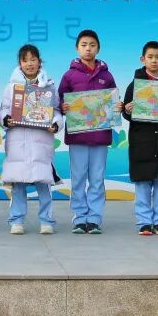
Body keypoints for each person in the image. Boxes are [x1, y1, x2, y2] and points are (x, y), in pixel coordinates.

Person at [58, 29, 119, 235]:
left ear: (98, 48)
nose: (88, 49)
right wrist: (63, 107)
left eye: (92, 45)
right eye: (84, 45)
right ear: (77, 48)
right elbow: (59, 101)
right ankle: (79, 218)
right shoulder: (69, 75)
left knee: (97, 178)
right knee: (78, 178)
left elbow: (113, 101)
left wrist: (117, 107)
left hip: (100, 136)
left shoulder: (107, 75)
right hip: (77, 136)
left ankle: (94, 219)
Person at [0, 44, 60, 235]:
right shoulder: (11, 87)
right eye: (25, 60)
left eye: (33, 59)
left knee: (44, 183)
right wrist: (6, 119)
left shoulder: (49, 85)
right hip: (18, 141)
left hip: (41, 141)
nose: (29, 64)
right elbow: (4, 110)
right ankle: (16, 220)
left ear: (39, 62)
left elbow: (56, 111)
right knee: (18, 183)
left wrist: (55, 124)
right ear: (20, 63)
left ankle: (46, 221)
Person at [121, 41, 158, 236]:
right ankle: (144, 222)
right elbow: (127, 113)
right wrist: (127, 109)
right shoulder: (135, 85)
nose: (154, 60)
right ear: (142, 59)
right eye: (150, 57)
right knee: (143, 183)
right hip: (142, 142)